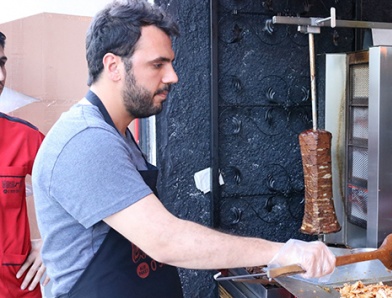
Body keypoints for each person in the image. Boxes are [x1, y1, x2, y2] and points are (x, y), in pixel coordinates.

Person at [31, 1, 336, 297]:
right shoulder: (86, 140)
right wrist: (280, 251)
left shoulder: (118, 135)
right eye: (157, 64)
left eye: (170, 63)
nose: (172, 76)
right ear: (113, 66)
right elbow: (165, 240)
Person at [0, 31, 48, 297]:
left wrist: (53, 242)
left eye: (2, 63)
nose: (1, 77)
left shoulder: (25, 138)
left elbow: (82, 191)